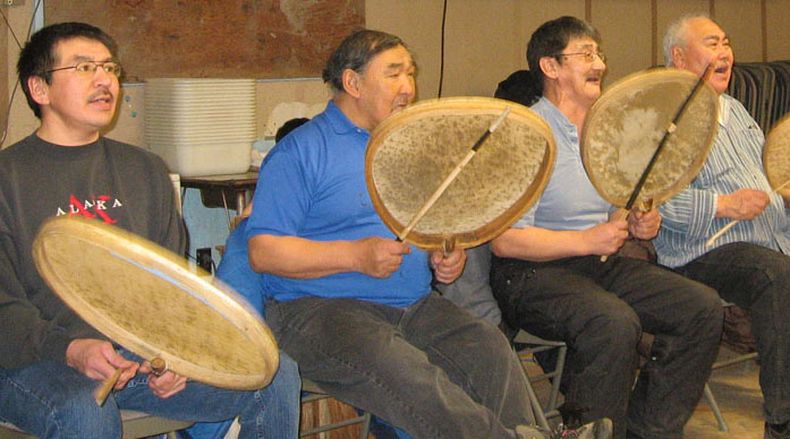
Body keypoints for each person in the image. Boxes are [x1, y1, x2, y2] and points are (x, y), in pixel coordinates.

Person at [244, 28, 610, 439]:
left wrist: (440, 259)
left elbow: (423, 230)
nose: (408, 88)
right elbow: (263, 252)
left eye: (411, 74)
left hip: (411, 305)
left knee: (489, 349)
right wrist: (356, 256)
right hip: (317, 311)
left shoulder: (408, 148)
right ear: (353, 82)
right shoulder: (301, 152)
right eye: (394, 74)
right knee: (416, 379)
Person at [0, 22, 298, 438]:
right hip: (34, 360)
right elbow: (5, 310)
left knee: (274, 373)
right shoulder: (8, 178)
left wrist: (177, 352)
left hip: (137, 357)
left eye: (109, 67)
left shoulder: (145, 170)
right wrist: (70, 350)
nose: (105, 79)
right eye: (84, 68)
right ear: (39, 89)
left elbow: (173, 287)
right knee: (85, 409)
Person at [488, 16, 723, 439]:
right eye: (586, 54)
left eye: (599, 53)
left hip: (597, 263)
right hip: (530, 273)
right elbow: (504, 241)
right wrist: (584, 238)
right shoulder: (525, 134)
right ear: (551, 67)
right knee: (613, 322)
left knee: (700, 308)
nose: (599, 62)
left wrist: (637, 220)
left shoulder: (606, 128)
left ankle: (648, 429)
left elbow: (621, 203)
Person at [658, 13, 790, 439]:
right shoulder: (663, 118)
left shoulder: (736, 110)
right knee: (775, 275)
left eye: (726, 43)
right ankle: (782, 419)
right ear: (679, 58)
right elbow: (653, 202)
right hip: (700, 252)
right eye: (712, 43)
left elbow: (765, 182)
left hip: (767, 239)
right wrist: (723, 204)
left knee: (774, 265)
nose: (725, 53)